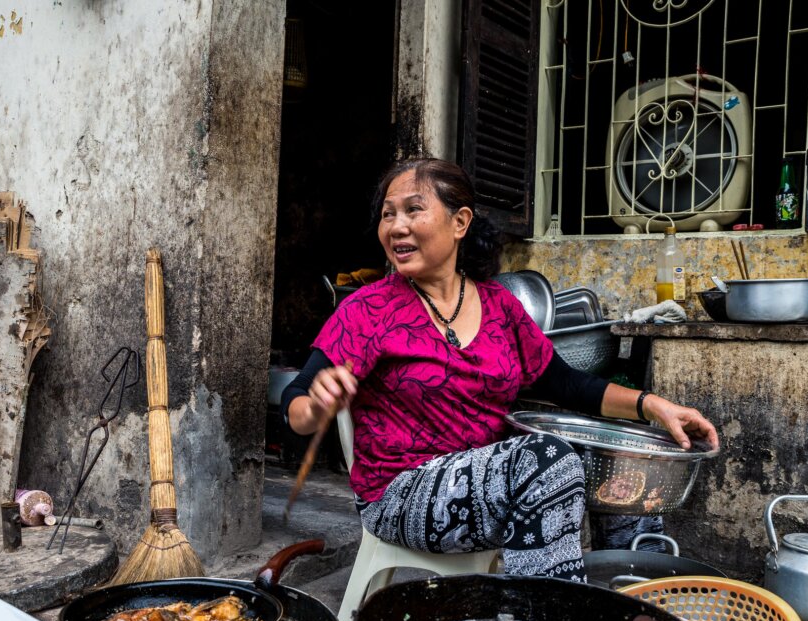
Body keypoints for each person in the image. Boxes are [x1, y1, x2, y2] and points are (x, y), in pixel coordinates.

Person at [282, 158, 719, 582]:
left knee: (620, 463)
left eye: (414, 210)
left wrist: (653, 407)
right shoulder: (368, 309)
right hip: (401, 494)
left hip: (492, 479)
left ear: (460, 222)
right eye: (388, 215)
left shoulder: (499, 306)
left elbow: (566, 383)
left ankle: (634, 596)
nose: (396, 227)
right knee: (547, 462)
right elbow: (295, 403)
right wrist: (316, 405)